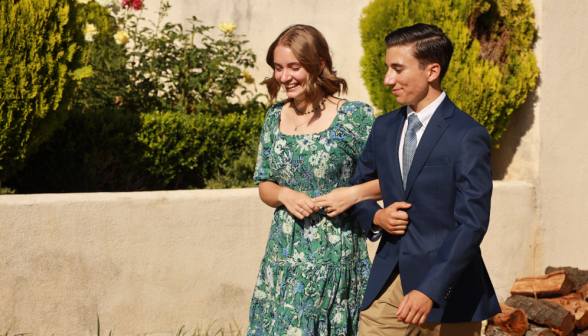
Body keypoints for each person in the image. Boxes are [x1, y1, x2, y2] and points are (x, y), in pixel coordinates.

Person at [349, 23, 501, 336]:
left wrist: (430, 289)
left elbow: (472, 222)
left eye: (397, 69)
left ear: (431, 71)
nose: (387, 79)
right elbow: (357, 190)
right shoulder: (383, 128)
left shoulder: (468, 134)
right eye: (387, 68)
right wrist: (376, 215)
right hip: (389, 283)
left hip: (451, 290)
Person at [247, 24, 381, 335]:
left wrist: (352, 195)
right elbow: (264, 184)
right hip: (283, 251)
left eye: (294, 67)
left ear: (319, 64)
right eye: (278, 68)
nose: (284, 77)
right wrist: (283, 195)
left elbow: (395, 180)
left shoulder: (354, 117)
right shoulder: (274, 116)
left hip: (334, 251)